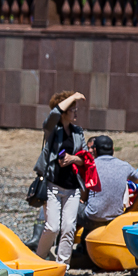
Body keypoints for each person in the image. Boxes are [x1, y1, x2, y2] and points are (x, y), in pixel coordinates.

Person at [33, 91, 88, 265]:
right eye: (72, 109)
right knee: (52, 227)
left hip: (73, 188)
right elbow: (54, 114)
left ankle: (62, 267)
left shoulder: (78, 132)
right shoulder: (52, 130)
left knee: (69, 228)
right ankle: (38, 261)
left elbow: (86, 158)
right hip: (52, 186)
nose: (76, 112)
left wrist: (73, 159)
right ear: (64, 112)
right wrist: (74, 97)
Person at [79, 135, 138, 242]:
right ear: (113, 149)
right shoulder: (124, 166)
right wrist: (134, 207)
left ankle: (67, 242)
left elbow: (84, 197)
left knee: (70, 205)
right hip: (115, 218)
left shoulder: (90, 166)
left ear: (94, 150)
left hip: (93, 219)